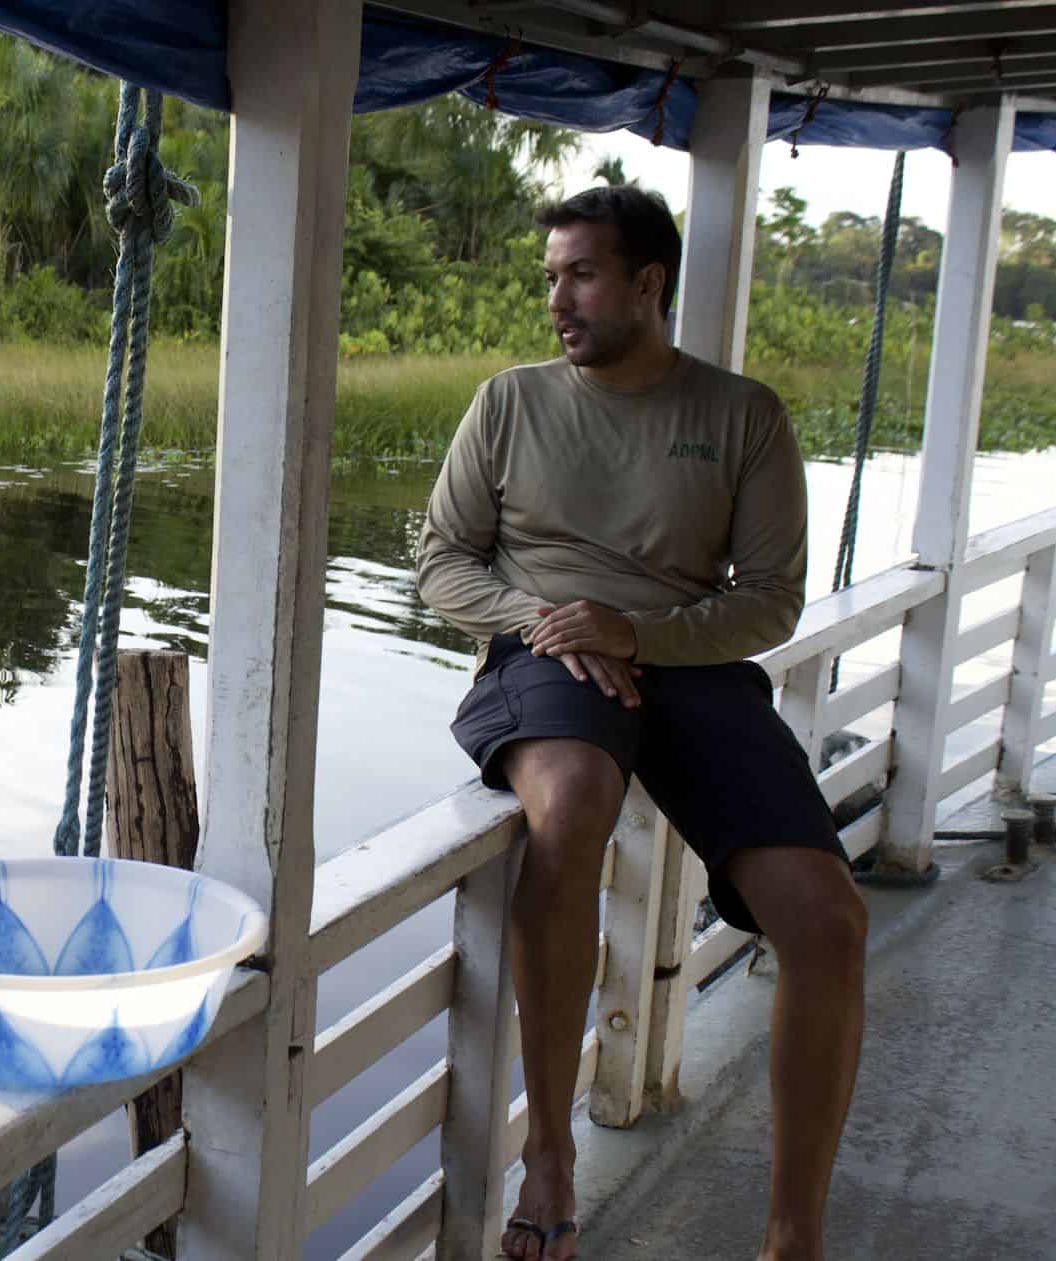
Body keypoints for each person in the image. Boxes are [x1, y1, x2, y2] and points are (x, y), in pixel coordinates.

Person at [414, 186, 866, 1261]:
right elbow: (440, 560)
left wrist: (639, 633)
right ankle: (550, 1152)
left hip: (687, 661)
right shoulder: (509, 402)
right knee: (570, 802)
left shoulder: (740, 413)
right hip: (545, 653)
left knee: (829, 919)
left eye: (579, 274)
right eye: (551, 277)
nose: (557, 299)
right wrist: (547, 618)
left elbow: (768, 599)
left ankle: (791, 1234)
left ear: (646, 284)